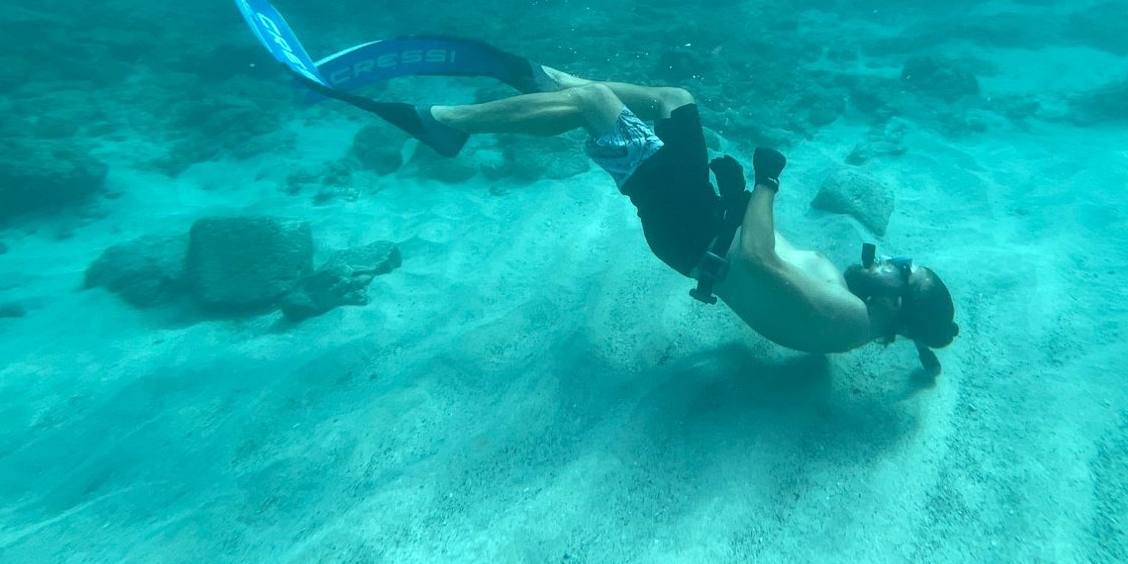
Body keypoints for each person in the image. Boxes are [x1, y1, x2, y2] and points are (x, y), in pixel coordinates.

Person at [402, 65, 961, 365]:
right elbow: (767, 280)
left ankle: (448, 123)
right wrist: (739, 201)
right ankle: (551, 82)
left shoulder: (850, 318)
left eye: (901, 268)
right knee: (674, 98)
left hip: (690, 228)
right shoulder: (856, 323)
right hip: (704, 226)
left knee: (593, 104)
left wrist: (764, 184)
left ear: (896, 302)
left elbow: (763, 263)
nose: (888, 260)